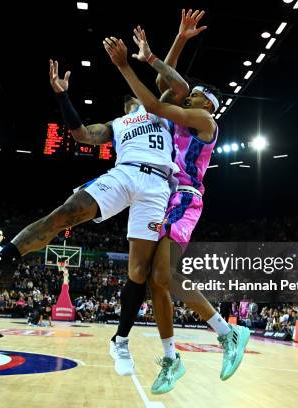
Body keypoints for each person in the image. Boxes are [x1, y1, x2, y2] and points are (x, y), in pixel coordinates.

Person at [0, 52, 185, 373]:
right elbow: (82, 135)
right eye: (130, 100)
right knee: (65, 213)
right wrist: (62, 95)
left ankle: (120, 342)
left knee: (139, 271)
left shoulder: (159, 112)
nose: (134, 100)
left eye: (137, 97)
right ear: (125, 108)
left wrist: (151, 58)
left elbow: (177, 87)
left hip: (158, 185)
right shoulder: (116, 125)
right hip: (126, 173)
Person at [103, 19, 250, 393]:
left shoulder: (203, 120)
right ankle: (171, 358)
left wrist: (143, 58)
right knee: (156, 283)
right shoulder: (174, 122)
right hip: (162, 196)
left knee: (166, 276)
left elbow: (155, 98)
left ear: (208, 104)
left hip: (186, 198)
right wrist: (179, 40)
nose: (188, 95)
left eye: (195, 94)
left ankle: (228, 332)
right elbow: (162, 86)